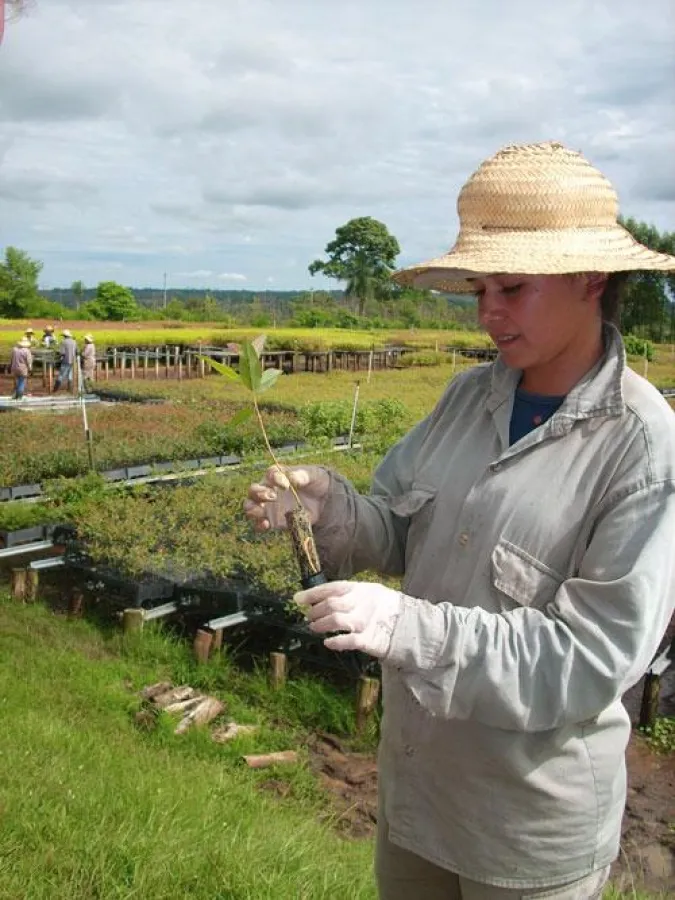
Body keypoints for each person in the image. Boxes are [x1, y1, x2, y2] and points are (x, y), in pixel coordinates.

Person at [245, 141, 675, 899]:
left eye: (511, 287)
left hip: (523, 827)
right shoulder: (465, 398)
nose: (487, 313)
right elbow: (404, 533)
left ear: (590, 278)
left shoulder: (641, 446)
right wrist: (328, 511)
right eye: (478, 289)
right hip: (417, 792)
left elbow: (590, 656)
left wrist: (409, 628)